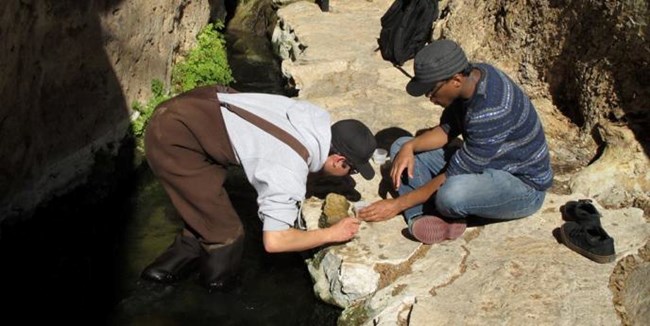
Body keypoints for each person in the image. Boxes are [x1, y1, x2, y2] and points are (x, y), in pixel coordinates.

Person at [141, 84, 376, 290]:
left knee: (207, 215)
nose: (349, 176)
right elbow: (275, 241)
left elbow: (284, 152)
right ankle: (214, 290)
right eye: (351, 170)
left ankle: (161, 272)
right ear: (338, 160)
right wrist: (330, 234)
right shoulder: (286, 169)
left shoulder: (315, 119)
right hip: (173, 139)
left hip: (201, 107)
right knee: (225, 233)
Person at [357, 39, 553, 244]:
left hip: (522, 186)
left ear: (456, 80)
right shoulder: (474, 77)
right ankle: (422, 217)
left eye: (431, 90)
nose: (429, 97)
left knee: (451, 195)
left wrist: (397, 204)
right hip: (485, 165)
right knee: (400, 149)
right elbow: (446, 130)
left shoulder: (491, 110)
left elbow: (455, 173)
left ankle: (441, 210)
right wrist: (410, 146)